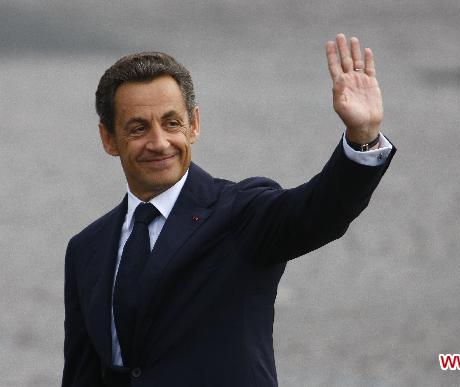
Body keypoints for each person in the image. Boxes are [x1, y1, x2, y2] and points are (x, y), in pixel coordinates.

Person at [62, 34, 395, 387]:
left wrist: (362, 137)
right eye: (138, 128)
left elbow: (319, 212)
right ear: (109, 139)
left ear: (194, 125)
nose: (159, 143)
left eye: (172, 123)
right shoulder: (87, 249)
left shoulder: (240, 213)